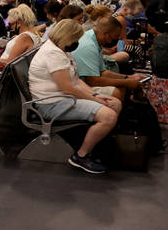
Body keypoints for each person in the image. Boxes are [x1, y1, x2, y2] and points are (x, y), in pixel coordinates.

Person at [27, 19, 120, 175]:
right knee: (109, 116)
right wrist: (96, 100)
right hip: (51, 104)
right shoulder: (53, 53)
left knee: (114, 103)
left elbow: (75, 80)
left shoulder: (62, 50)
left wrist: (95, 94)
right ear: (67, 36)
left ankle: (101, 150)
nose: (77, 42)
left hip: (62, 99)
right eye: (76, 39)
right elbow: (68, 88)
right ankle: (81, 156)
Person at [72, 15, 148, 98]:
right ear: (106, 34)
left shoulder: (95, 40)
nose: (117, 40)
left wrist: (128, 77)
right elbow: (93, 81)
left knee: (121, 86)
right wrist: (127, 82)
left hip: (86, 81)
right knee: (116, 92)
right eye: (115, 37)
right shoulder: (89, 45)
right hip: (77, 85)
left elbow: (103, 72)